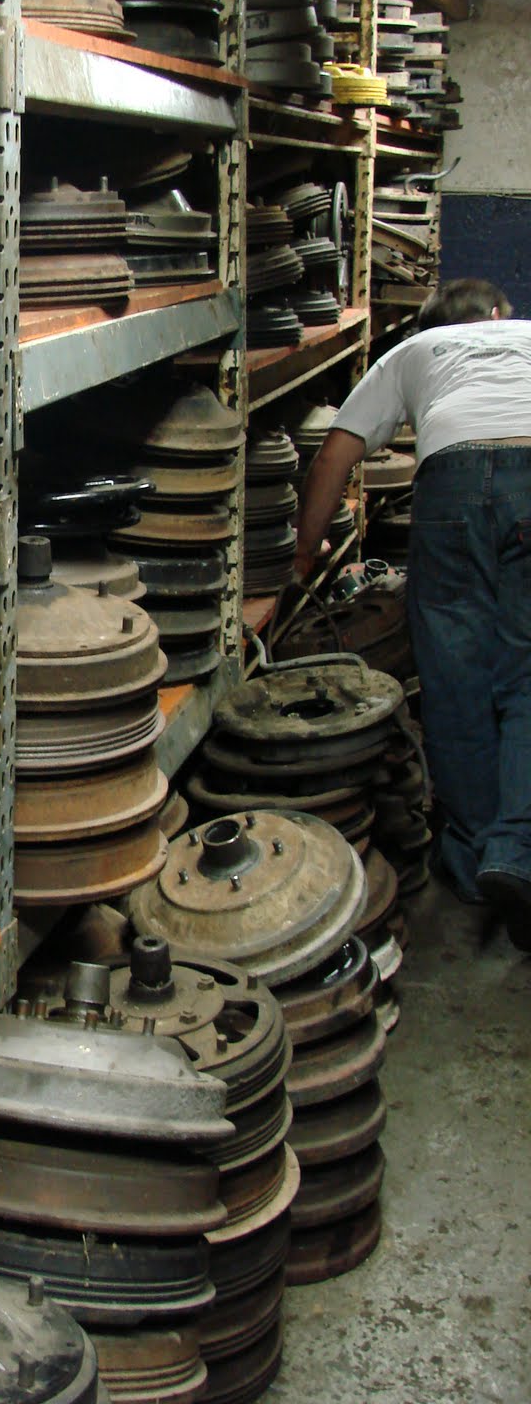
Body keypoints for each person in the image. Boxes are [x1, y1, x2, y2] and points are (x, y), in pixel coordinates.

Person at [293, 276, 531, 948]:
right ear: (495, 314)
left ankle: (473, 857)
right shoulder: (526, 336)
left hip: (451, 477)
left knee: (455, 681)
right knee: (526, 680)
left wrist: (305, 556)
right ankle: (518, 852)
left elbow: (337, 451)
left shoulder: (414, 350)